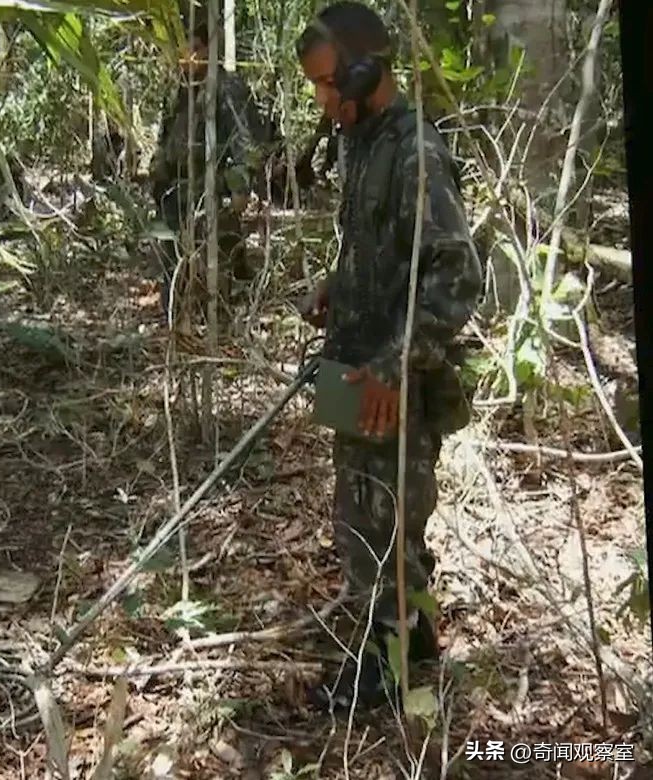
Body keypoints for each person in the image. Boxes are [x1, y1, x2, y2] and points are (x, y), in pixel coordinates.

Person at [295, 1, 482, 709]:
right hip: (357, 365)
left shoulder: (415, 153)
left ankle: (389, 666)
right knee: (363, 516)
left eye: (325, 83)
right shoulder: (364, 141)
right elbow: (381, 251)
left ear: (367, 70)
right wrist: (334, 289)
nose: (321, 98)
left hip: (393, 377)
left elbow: (455, 276)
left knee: (381, 527)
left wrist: (395, 363)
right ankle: (416, 635)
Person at [150, 13, 268, 317]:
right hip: (176, 194)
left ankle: (218, 329)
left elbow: (246, 143)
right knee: (173, 266)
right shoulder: (181, 90)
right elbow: (167, 138)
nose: (182, 56)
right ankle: (176, 324)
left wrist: (239, 188)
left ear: (207, 50)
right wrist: (157, 170)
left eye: (191, 48)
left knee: (214, 268)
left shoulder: (226, 88)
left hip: (210, 194)